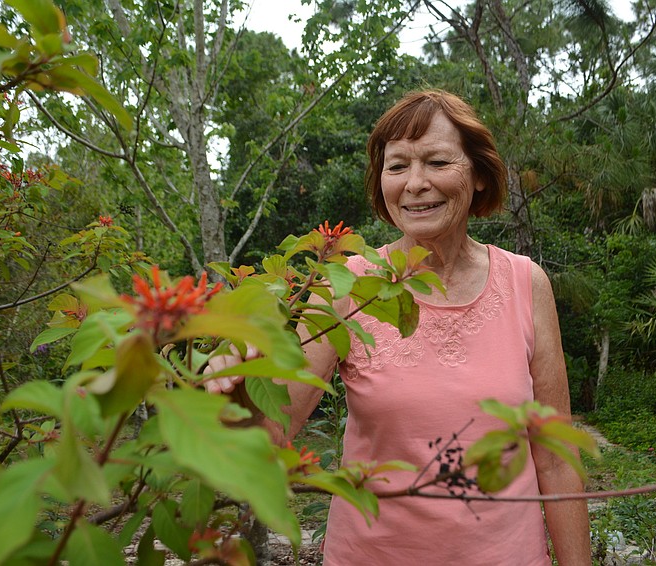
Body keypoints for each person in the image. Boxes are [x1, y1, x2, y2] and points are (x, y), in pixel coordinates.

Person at [206, 89, 591, 565]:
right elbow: (271, 435)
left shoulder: (526, 284)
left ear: (479, 177)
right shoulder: (345, 286)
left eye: (436, 162)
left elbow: (554, 458)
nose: (415, 183)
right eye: (397, 166)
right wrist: (234, 390)